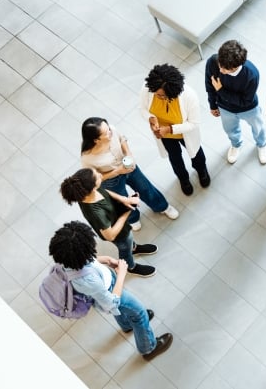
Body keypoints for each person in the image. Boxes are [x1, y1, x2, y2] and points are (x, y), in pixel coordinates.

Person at [48, 221, 173, 360]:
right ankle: (148, 348)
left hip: (103, 288)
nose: (94, 245)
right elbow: (111, 303)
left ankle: (127, 325)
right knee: (140, 313)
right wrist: (121, 274)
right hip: (109, 292)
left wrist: (105, 260)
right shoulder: (89, 281)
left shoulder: (67, 259)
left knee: (124, 312)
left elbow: (87, 262)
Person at [80, 117, 179, 231]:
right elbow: (93, 179)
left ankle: (162, 206)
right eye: (107, 133)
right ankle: (132, 218)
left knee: (145, 187)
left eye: (109, 129)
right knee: (123, 200)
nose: (110, 132)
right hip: (111, 179)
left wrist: (128, 154)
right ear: (96, 140)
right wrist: (117, 171)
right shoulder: (87, 158)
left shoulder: (111, 129)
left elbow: (122, 139)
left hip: (128, 165)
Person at [60, 168, 156, 277]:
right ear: (91, 188)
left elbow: (106, 192)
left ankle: (133, 248)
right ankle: (130, 266)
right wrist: (127, 211)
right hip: (118, 234)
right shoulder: (96, 212)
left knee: (129, 241)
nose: (101, 175)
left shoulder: (90, 192)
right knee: (125, 246)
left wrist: (125, 200)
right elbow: (110, 236)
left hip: (117, 221)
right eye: (97, 176)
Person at [140, 63, 210, 196]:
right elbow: (142, 109)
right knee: (175, 157)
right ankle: (183, 179)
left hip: (184, 133)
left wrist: (170, 129)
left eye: (163, 96)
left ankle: (202, 171)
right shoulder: (148, 88)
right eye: (157, 95)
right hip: (163, 134)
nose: (159, 97)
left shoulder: (189, 96)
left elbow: (194, 123)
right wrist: (151, 119)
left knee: (196, 153)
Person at [205, 39, 266, 165]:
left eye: (226, 69)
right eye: (220, 66)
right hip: (224, 107)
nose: (221, 70)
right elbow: (209, 85)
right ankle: (236, 144)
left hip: (249, 108)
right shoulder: (214, 61)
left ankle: (262, 144)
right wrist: (212, 105)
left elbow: (245, 101)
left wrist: (221, 91)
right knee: (230, 129)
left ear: (236, 66)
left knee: (258, 127)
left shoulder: (252, 74)